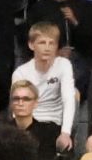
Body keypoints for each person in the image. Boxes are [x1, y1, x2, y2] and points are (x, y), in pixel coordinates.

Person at [12, 21, 79, 151]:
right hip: (28, 123)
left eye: (51, 43)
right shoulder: (21, 72)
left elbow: (68, 98)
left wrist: (65, 133)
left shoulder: (64, 65)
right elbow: (16, 106)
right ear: (31, 45)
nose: (47, 48)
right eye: (42, 43)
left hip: (53, 123)